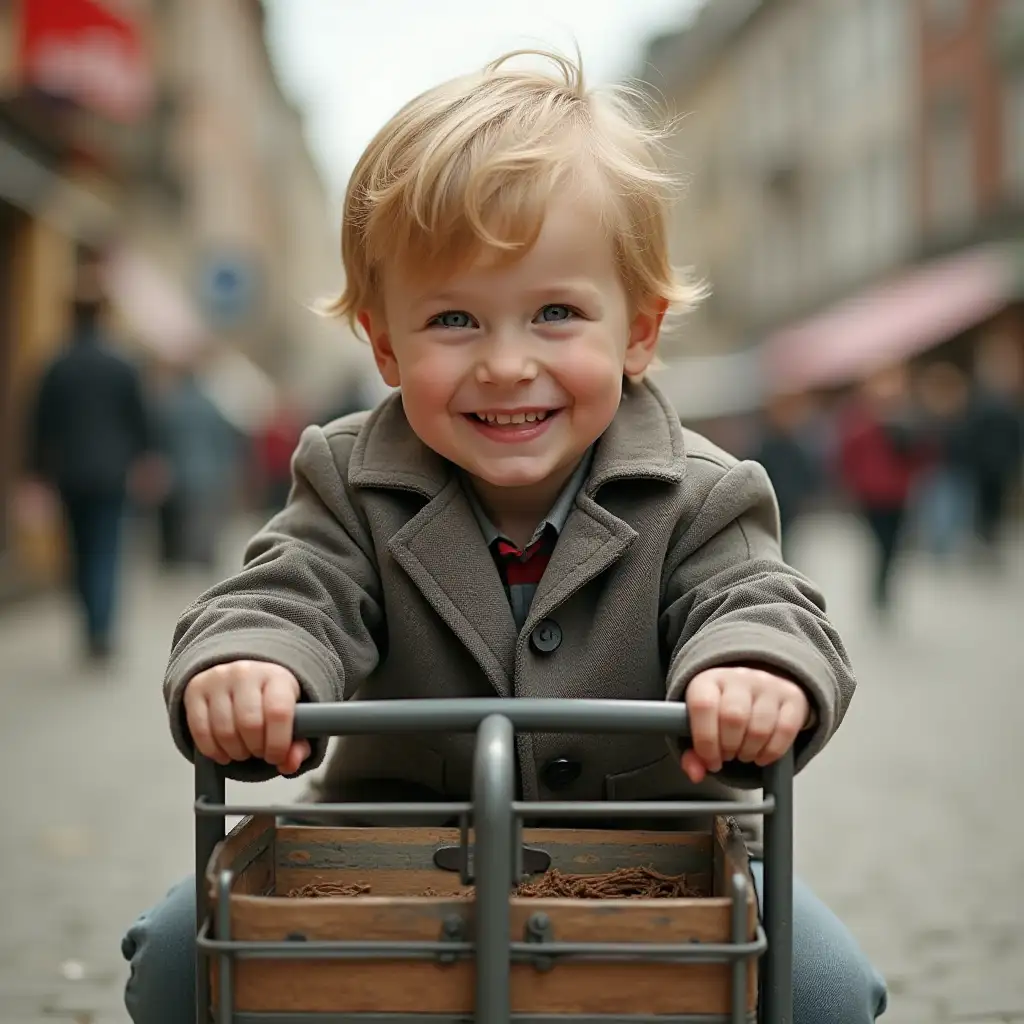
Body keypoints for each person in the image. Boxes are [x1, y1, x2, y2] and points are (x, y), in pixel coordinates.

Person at [121, 52, 887, 1023]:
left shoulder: (704, 492)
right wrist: (249, 662)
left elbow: (759, 600)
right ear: (385, 343)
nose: (507, 363)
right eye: (453, 320)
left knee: (823, 990)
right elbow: (287, 587)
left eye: (556, 313)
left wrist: (749, 670)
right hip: (389, 852)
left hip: (657, 856)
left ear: (639, 331)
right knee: (176, 958)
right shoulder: (349, 478)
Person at [24, 255, 162, 659]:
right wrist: (148, 460)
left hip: (68, 473)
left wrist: (34, 475)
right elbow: (140, 420)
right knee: (106, 548)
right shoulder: (122, 364)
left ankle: (90, 623)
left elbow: (39, 424)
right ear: (104, 312)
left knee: (78, 550)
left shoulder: (55, 364)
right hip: (111, 473)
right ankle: (100, 629)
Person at [837, 366, 932, 615]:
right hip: (871, 495)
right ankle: (879, 589)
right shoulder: (861, 421)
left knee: (893, 545)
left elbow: (922, 453)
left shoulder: (906, 420)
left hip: (898, 494)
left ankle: (884, 588)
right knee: (880, 543)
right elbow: (847, 456)